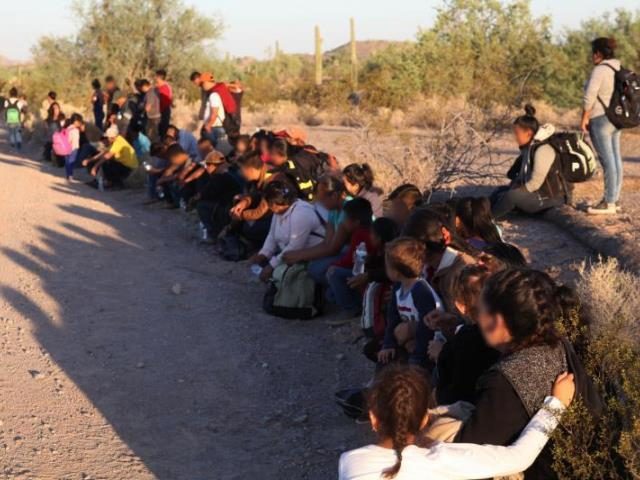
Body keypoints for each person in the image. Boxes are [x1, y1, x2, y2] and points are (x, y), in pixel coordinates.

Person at [455, 269, 602, 479]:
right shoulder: (558, 343)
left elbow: (465, 455)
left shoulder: (506, 381)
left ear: (496, 321)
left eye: (480, 310)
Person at [338, 366, 575, 480]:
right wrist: (556, 404)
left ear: (373, 418)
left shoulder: (349, 462)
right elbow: (520, 456)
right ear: (424, 419)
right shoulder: (442, 459)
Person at [429, 265, 500, 405]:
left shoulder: (466, 339)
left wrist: (441, 353)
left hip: (469, 407)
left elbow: (458, 391)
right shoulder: (504, 328)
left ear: (460, 306)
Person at [492, 105, 568, 219]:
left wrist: (516, 191)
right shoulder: (529, 148)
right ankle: (481, 214)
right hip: (538, 194)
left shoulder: (543, 149)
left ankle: (485, 222)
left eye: (517, 134)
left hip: (551, 198)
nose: (515, 137)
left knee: (511, 196)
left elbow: (535, 183)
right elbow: (518, 176)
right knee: (499, 192)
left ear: (528, 133)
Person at [377, 237, 440, 368]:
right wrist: (388, 344)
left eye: (387, 266)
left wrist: (418, 355)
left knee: (413, 367)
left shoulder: (420, 290)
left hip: (429, 346)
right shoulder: (398, 287)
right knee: (380, 354)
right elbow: (393, 317)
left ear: (396, 271)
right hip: (410, 340)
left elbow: (427, 327)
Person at [282, 174, 351, 285]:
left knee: (316, 269)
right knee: (312, 264)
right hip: (342, 249)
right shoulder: (334, 210)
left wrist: (300, 255)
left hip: (355, 253)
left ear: (334, 196)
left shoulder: (348, 211)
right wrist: (299, 254)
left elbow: (333, 248)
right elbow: (327, 242)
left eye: (323, 200)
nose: (321, 204)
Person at [251, 181, 326, 283]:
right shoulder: (278, 211)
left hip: (311, 255)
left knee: (279, 273)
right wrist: (264, 254)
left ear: (273, 204)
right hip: (289, 253)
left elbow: (295, 247)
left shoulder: (301, 213)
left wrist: (271, 266)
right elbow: (272, 235)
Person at [581, 37, 624, 215]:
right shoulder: (618, 68)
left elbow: (590, 95)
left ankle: (608, 202)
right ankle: (615, 199)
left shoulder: (600, 70)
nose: (592, 57)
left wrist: (584, 116)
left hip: (600, 119)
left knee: (607, 161)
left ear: (598, 53)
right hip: (616, 119)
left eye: (593, 53)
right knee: (615, 159)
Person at [326, 198, 375, 317]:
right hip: (367, 272)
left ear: (356, 222)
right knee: (330, 294)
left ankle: (351, 308)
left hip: (366, 274)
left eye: (346, 219)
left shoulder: (360, 234)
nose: (343, 222)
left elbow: (351, 260)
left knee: (333, 274)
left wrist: (334, 266)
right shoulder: (367, 230)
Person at [200, 72, 227, 147]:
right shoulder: (214, 94)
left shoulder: (213, 95)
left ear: (206, 82)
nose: (202, 86)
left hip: (214, 128)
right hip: (215, 127)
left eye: (202, 84)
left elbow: (214, 113)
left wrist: (208, 125)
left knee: (212, 151)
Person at [64, 113, 84, 180]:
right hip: (73, 148)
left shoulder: (68, 128)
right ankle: (70, 175)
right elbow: (72, 139)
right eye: (79, 122)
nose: (80, 123)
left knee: (67, 162)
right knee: (71, 162)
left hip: (66, 147)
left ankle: (68, 174)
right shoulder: (75, 130)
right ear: (76, 122)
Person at [43, 91, 61, 161]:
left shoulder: (55, 105)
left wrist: (51, 121)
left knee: (52, 140)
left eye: (48, 97)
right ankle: (48, 157)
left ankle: (50, 157)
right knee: (50, 140)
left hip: (54, 125)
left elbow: (56, 113)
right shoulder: (53, 104)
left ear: (49, 97)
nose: (47, 99)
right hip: (52, 124)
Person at [155, 69, 173, 138]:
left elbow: (165, 103)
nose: (155, 78)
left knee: (162, 132)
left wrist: (158, 113)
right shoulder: (159, 87)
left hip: (163, 112)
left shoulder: (165, 88)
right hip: (160, 112)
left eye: (156, 76)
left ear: (159, 77)